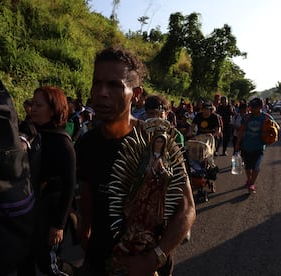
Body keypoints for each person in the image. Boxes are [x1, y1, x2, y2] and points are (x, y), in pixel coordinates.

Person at [75, 46, 195, 276]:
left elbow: (187, 209)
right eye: (96, 83)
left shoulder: (157, 143)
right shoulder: (86, 143)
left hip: (144, 264)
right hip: (98, 260)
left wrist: (153, 258)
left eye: (114, 85)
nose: (101, 92)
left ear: (136, 94)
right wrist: (85, 232)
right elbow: (87, 191)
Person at [18, 86, 76, 276]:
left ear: (53, 110)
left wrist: (59, 225)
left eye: (39, 105)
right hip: (28, 211)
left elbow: (69, 186)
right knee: (24, 259)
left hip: (50, 213)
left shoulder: (62, 143)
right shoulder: (29, 133)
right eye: (32, 103)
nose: (33, 108)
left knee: (47, 264)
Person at [234, 98, 273, 194]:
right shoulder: (246, 117)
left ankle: (251, 184)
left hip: (259, 146)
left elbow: (275, 128)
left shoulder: (266, 117)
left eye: (255, 108)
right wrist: (237, 143)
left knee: (256, 167)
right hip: (246, 146)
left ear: (261, 107)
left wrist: (270, 134)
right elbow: (241, 131)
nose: (252, 110)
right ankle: (249, 179)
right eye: (252, 107)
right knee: (248, 167)